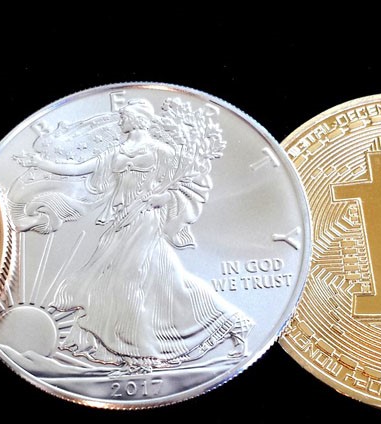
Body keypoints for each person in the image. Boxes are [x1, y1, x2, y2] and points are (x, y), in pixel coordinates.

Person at [14, 100, 251, 374]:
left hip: (145, 219)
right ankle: (232, 323)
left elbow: (186, 185)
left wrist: (164, 197)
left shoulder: (163, 152)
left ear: (137, 119)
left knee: (127, 282)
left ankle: (142, 357)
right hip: (120, 222)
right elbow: (78, 169)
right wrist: (40, 162)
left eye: (125, 117)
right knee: (167, 284)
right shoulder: (116, 152)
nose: (121, 121)